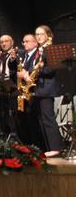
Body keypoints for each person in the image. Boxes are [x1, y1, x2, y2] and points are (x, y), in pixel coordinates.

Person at [22, 26, 61, 157]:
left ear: (48, 35)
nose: (38, 37)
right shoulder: (39, 51)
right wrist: (29, 74)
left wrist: (36, 71)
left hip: (47, 88)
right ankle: (47, 148)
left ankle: (56, 148)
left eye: (41, 34)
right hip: (38, 89)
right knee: (40, 120)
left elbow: (51, 70)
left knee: (48, 119)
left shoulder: (50, 49)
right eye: (37, 34)